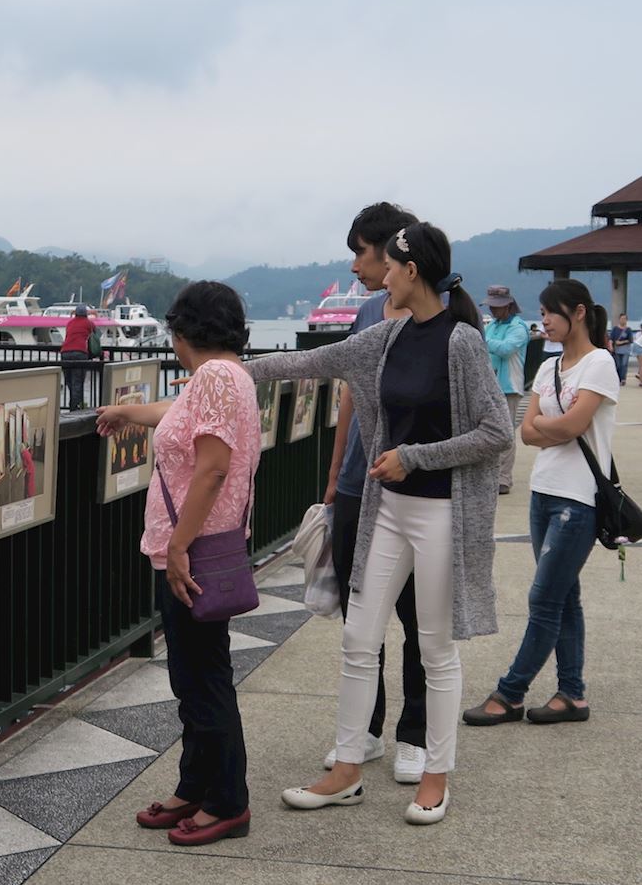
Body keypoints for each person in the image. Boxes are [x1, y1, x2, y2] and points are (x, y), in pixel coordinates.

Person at [250, 222, 511, 826]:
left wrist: (413, 457)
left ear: (411, 271)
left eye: (389, 267)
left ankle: (436, 776)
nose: (380, 276)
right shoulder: (388, 336)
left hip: (441, 514)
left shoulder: (462, 343)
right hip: (387, 511)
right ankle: (346, 769)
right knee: (358, 639)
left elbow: (495, 431)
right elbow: (311, 360)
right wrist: (231, 372)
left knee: (436, 649)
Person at [97, 280, 258, 847]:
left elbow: (212, 467)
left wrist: (179, 547)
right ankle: (196, 785)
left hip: (196, 551)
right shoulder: (231, 374)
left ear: (183, 330)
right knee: (193, 674)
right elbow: (181, 415)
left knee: (202, 678)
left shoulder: (213, 375)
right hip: (209, 545)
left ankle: (227, 801)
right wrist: (127, 411)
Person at [464, 280, 617, 727]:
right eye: (543, 312)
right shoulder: (549, 366)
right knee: (564, 597)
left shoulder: (600, 363)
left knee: (544, 600)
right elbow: (526, 431)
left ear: (579, 313)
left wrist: (553, 427)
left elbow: (569, 426)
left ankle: (510, 693)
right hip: (544, 492)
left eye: (552, 312)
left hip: (578, 501)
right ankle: (573, 695)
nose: (544, 320)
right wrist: (556, 427)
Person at [320, 202, 428, 785]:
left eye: (360, 252)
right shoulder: (365, 313)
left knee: (416, 615)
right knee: (359, 613)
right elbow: (349, 393)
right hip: (360, 482)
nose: (355, 265)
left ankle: (415, 735)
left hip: (415, 487)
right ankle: (367, 728)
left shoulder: (441, 314)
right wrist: (337, 473)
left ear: (391, 252)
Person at [484, 286, 531, 495]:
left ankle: (503, 478)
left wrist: (481, 339)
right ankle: (490, 475)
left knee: (506, 433)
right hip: (489, 385)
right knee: (489, 432)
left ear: (508, 306)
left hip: (509, 386)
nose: (493, 310)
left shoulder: (518, 327)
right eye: (491, 307)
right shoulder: (492, 326)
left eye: (497, 306)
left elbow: (505, 349)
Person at [60, 304, 96, 410]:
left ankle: (73, 404)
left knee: (69, 381)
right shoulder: (89, 323)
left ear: (75, 313)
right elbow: (95, 334)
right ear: (85, 314)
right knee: (78, 381)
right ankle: (75, 408)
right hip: (80, 353)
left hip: (65, 352)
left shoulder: (70, 323)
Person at [608, 313, 634, 384]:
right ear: (619, 319)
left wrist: (621, 342)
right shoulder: (615, 329)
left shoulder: (628, 330)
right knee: (618, 365)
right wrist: (611, 346)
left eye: (625, 319)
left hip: (625, 350)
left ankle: (623, 379)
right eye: (622, 319)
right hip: (617, 350)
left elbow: (631, 340)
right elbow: (611, 339)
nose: (623, 320)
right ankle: (618, 378)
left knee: (624, 364)